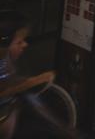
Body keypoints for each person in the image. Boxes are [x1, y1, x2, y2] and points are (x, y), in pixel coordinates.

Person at [0, 9, 74, 138]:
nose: (25, 44)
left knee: (32, 100)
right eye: (19, 42)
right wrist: (33, 82)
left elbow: (9, 82)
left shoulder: (5, 59)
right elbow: (4, 90)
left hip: (9, 111)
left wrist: (32, 82)